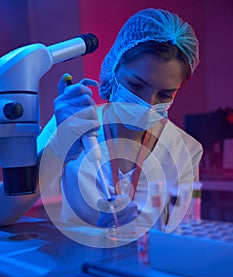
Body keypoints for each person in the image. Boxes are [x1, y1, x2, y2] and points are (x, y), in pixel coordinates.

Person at [0, 8, 203, 236]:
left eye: (165, 95)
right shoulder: (73, 123)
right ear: (113, 70)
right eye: (136, 86)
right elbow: (3, 213)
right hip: (75, 267)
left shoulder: (185, 150)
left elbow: (185, 237)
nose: (147, 104)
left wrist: (142, 233)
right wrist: (58, 150)